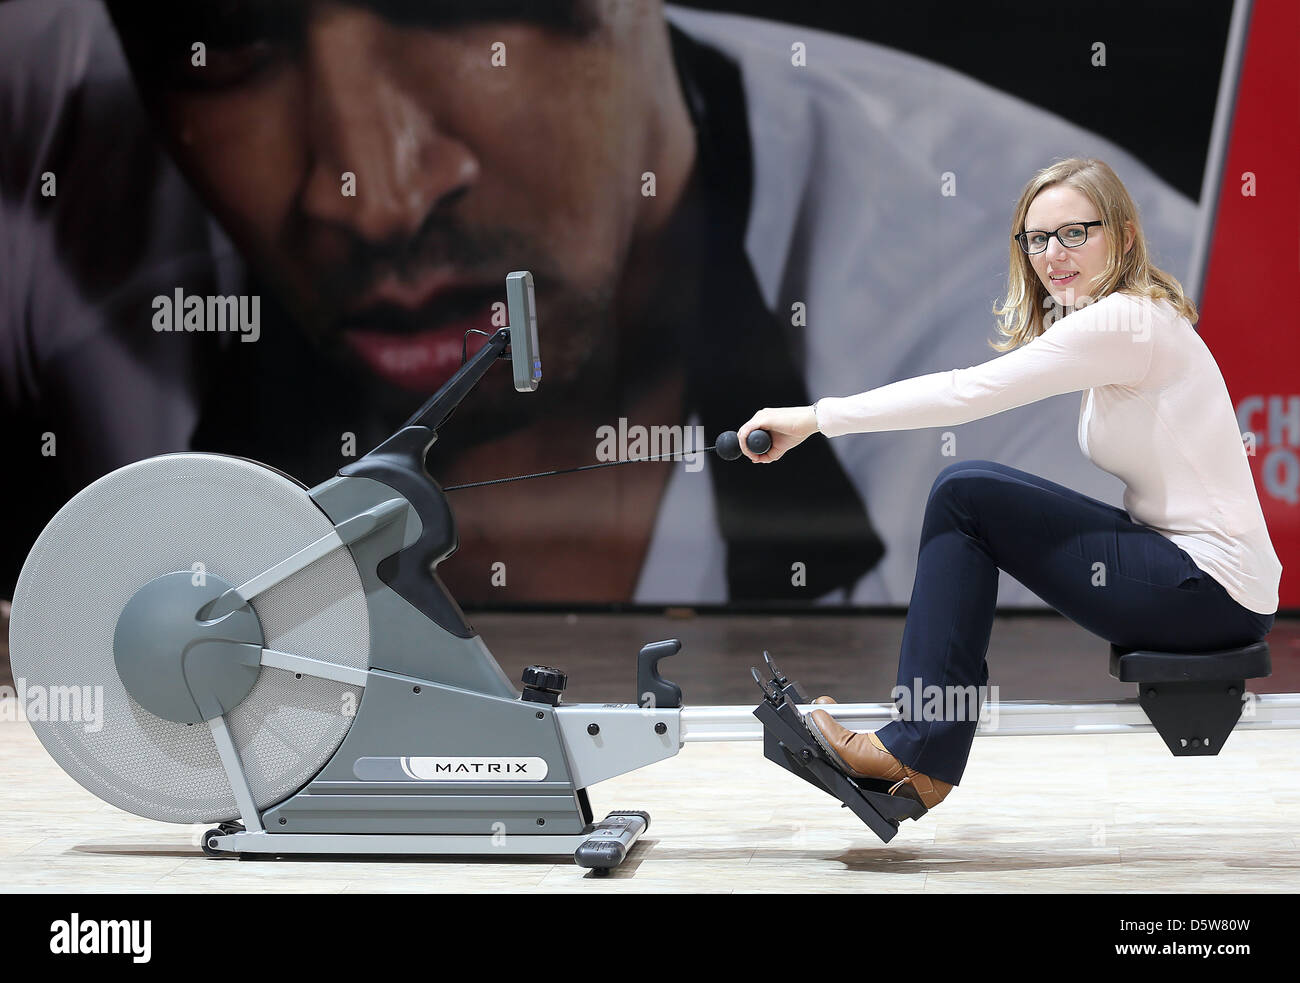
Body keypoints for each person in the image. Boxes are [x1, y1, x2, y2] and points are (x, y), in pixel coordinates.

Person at [0, 0, 1200, 613]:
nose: (371, 192)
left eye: (459, 8)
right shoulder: (53, 129)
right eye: (220, 39)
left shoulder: (1065, 295)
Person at [736, 158, 1282, 810]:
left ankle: (918, 749)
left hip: (1210, 590)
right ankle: (921, 744)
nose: (1054, 254)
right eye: (1037, 237)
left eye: (1075, 232)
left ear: (1126, 236)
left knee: (965, 495)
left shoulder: (1126, 322)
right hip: (1201, 579)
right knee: (968, 493)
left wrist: (815, 417)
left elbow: (965, 392)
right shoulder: (1126, 321)